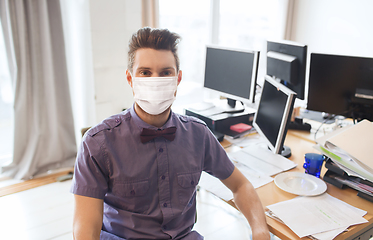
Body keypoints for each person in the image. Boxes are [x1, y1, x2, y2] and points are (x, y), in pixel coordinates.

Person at [71, 27, 270, 240]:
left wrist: (260, 229)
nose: (156, 81)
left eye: (166, 73)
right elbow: (85, 230)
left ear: (178, 79)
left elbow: (240, 185)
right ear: (130, 79)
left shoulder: (198, 135)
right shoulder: (98, 144)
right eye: (145, 73)